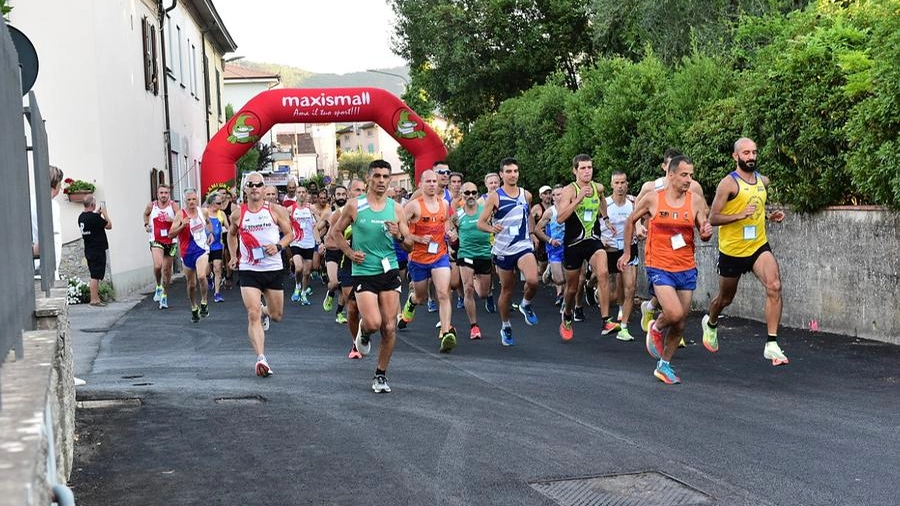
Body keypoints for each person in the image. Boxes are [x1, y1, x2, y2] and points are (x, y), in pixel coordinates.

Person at [618, 155, 713, 384]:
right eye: (684, 175)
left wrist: (706, 231)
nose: (689, 179)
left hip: (686, 266)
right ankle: (657, 326)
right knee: (674, 313)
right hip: (659, 264)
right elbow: (631, 221)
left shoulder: (696, 201)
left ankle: (664, 365)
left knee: (681, 322)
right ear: (670, 175)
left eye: (691, 175)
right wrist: (627, 253)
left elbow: (704, 228)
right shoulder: (653, 199)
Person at [702, 137, 789, 366]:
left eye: (754, 152)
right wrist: (739, 215)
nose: (751, 157)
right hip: (732, 251)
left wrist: (770, 216)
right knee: (725, 299)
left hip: (758, 246)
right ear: (735, 156)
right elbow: (713, 217)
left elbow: (757, 207)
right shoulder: (728, 184)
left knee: (774, 286)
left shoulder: (763, 181)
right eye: (746, 153)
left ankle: (771, 343)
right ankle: (710, 322)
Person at [329, 160, 413, 393]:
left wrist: (399, 236)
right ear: (369, 178)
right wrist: (349, 252)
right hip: (364, 271)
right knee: (374, 323)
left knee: (389, 327)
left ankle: (380, 375)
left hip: (389, 270)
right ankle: (364, 333)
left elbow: (409, 247)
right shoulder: (355, 206)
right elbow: (335, 232)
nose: (381, 181)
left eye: (386, 177)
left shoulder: (396, 209)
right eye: (377, 176)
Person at [635, 148, 706, 347]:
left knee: (679, 316)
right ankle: (658, 318)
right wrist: (640, 226)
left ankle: (665, 355)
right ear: (666, 168)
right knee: (673, 308)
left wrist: (705, 227)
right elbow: (636, 212)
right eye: (669, 165)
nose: (688, 178)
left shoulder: (694, 189)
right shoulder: (652, 188)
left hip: (683, 258)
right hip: (658, 255)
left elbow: (703, 215)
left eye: (689, 174)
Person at [227, 172, 294, 377]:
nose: (255, 188)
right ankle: (261, 358)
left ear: (265, 189)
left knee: (277, 316)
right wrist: (233, 255)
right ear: (245, 189)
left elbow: (291, 234)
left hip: (272, 269)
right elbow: (231, 235)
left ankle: (266, 311)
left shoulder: (275, 210)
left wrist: (279, 246)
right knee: (252, 313)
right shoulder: (238, 214)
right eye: (251, 185)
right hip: (249, 269)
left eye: (259, 185)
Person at [478, 157, 539, 346]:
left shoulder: (526, 195)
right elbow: (481, 222)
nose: (513, 175)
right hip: (503, 249)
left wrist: (532, 233)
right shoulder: (495, 196)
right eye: (509, 171)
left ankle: (526, 304)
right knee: (507, 290)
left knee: (532, 280)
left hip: (522, 245)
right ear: (501, 174)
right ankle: (505, 325)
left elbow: (528, 215)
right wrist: (491, 229)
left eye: (515, 171)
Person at [556, 154, 616, 342]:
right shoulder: (569, 191)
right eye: (582, 168)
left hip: (592, 239)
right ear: (575, 170)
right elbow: (560, 217)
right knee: (573, 288)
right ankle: (567, 315)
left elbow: (602, 200)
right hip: (573, 243)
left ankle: (606, 320)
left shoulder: (598, 187)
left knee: (604, 272)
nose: (587, 171)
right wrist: (579, 198)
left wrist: (605, 219)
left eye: (589, 167)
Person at [399, 170, 457, 353]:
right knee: (421, 296)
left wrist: (450, 232)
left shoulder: (445, 203)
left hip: (439, 255)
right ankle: (412, 301)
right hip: (418, 259)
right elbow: (401, 230)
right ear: (420, 184)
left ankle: (446, 331)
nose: (432, 184)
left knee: (443, 293)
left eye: (435, 181)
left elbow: (446, 222)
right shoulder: (413, 206)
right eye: (428, 181)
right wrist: (417, 238)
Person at [596, 171, 639, 341]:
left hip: (628, 248)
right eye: (617, 183)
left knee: (630, 287)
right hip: (609, 249)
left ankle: (624, 327)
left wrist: (640, 229)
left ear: (627, 184)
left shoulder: (633, 203)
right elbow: (593, 225)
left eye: (623, 183)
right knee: (612, 293)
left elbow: (641, 221)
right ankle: (593, 287)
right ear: (611, 184)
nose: (620, 187)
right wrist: (600, 240)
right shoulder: (604, 204)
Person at [452, 182, 494, 340]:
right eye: (467, 193)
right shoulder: (457, 215)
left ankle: (475, 278)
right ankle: (474, 326)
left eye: (473, 193)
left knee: (483, 294)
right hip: (466, 254)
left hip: (483, 254)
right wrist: (451, 240)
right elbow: (448, 227)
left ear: (477, 194)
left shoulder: (486, 212)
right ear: (462, 195)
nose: (470, 196)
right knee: (468, 289)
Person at [171, 189, 211, 323]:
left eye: (194, 199)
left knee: (201, 276)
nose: (192, 202)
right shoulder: (180, 215)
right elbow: (171, 233)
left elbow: (208, 222)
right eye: (189, 200)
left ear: (197, 199)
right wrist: (182, 225)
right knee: (191, 284)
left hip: (201, 249)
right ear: (185, 201)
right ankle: (194, 307)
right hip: (187, 251)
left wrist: (210, 234)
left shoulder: (203, 211)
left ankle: (204, 301)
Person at [143, 184, 180, 309]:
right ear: (157, 194)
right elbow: (145, 214)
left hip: (171, 240)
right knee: (158, 265)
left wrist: (173, 220)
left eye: (166, 193)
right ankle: (158, 286)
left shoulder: (173, 205)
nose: (163, 195)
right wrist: (146, 225)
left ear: (169, 194)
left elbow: (181, 219)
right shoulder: (151, 205)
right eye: (161, 193)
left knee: (166, 270)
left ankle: (164, 295)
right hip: (156, 240)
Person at [533, 185, 566, 307]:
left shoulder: (571, 209)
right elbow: (537, 229)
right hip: (554, 249)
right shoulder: (550, 212)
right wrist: (550, 240)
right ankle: (551, 270)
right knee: (559, 279)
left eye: (560, 194)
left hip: (568, 247)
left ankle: (564, 300)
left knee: (569, 278)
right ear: (553, 197)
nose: (558, 197)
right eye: (555, 195)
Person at [286, 185, 319, 305]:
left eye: (303, 192)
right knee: (298, 268)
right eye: (299, 192)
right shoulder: (291, 209)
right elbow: (285, 224)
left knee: (306, 272)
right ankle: (297, 286)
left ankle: (304, 293)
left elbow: (319, 222)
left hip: (309, 243)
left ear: (306, 194)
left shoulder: (311, 208)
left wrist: (318, 240)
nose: (301, 194)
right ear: (296, 193)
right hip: (296, 242)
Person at [78, 195, 112, 306]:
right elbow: (109, 225)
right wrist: (105, 213)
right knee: (95, 276)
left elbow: (92, 223)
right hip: (97, 249)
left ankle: (95, 298)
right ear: (92, 204)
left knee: (95, 274)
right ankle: (94, 300)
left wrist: (97, 213)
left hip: (89, 249)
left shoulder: (81, 217)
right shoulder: (94, 218)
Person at [204, 193, 229, 303]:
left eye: (222, 202)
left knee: (218, 268)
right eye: (219, 203)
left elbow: (228, 227)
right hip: (205, 246)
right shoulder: (204, 212)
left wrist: (227, 230)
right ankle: (209, 278)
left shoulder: (221, 214)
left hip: (217, 245)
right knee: (206, 271)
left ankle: (217, 293)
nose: (221, 205)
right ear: (212, 203)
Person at [532, 185, 553, 282]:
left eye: (549, 193)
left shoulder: (555, 207)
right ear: (540, 196)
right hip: (541, 239)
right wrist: (532, 235)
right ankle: (531, 271)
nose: (548, 196)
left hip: (553, 238)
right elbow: (528, 221)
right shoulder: (537, 208)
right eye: (545, 194)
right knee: (541, 268)